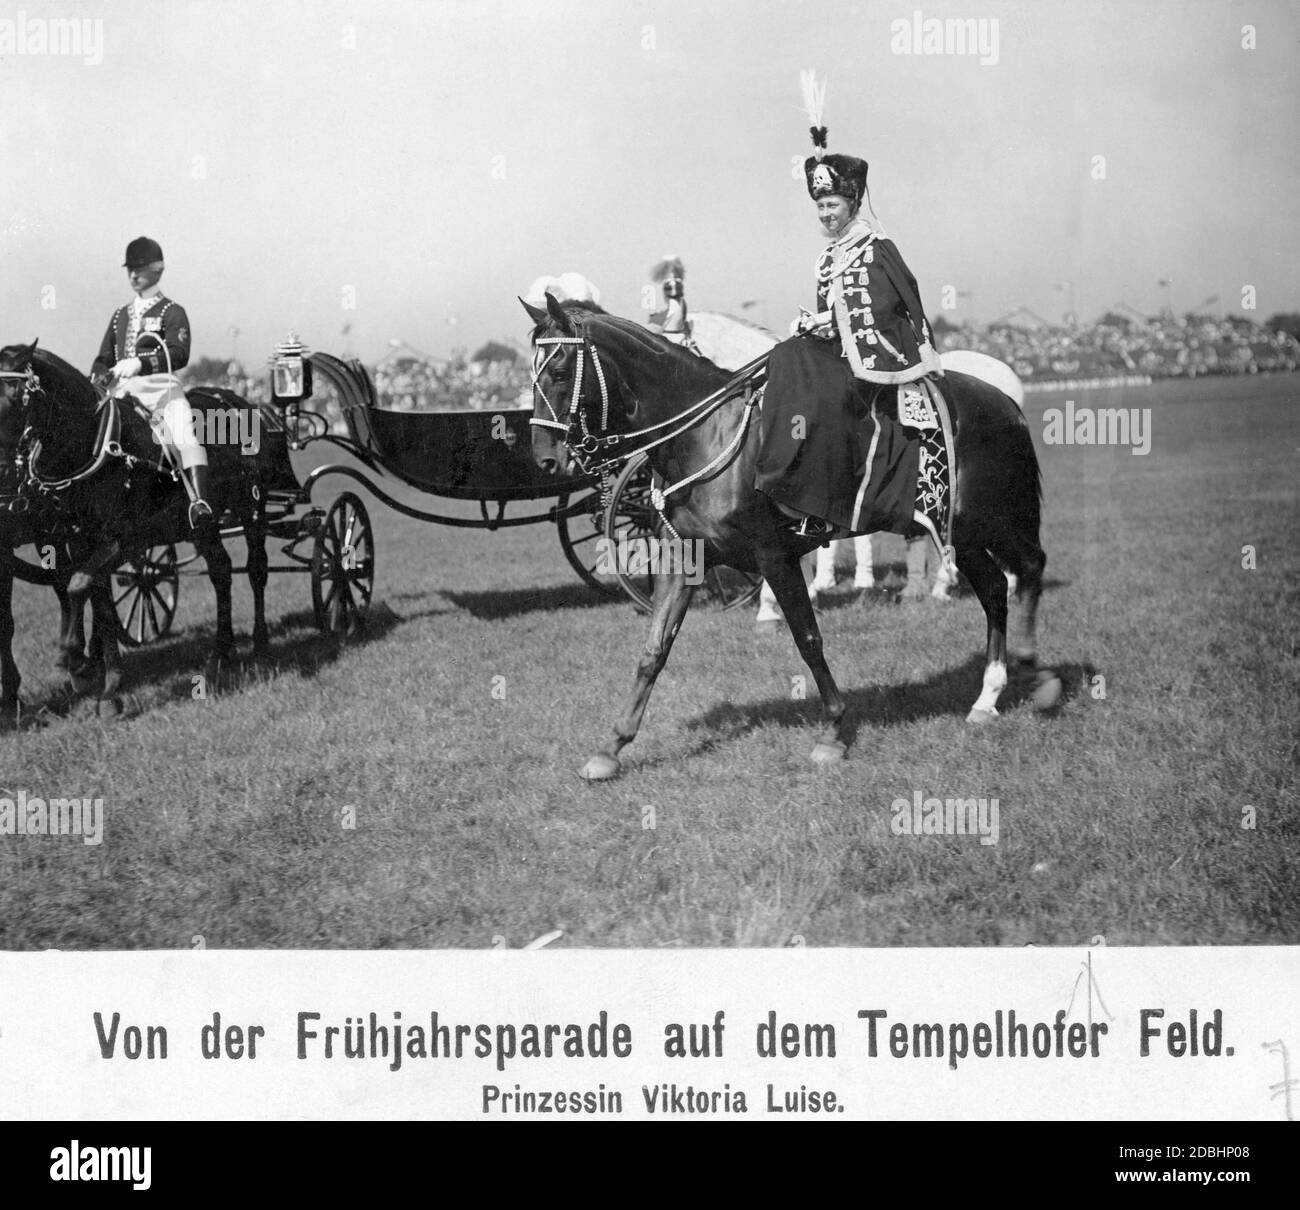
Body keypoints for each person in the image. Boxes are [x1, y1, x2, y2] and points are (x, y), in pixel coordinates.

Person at [754, 74, 945, 544]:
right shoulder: (826, 259)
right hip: (843, 356)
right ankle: (787, 486)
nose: (825, 213)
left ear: (853, 201)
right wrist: (815, 324)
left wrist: (834, 323)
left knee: (821, 396)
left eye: (832, 203)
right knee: (786, 356)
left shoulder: (878, 248)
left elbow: (899, 302)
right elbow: (833, 318)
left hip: (884, 358)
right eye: (819, 205)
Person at [91, 236, 212, 528]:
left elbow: (180, 353)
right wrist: (99, 374)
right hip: (121, 393)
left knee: (185, 436)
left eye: (140, 268)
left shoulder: (172, 311)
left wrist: (141, 363)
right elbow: (104, 356)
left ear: (157, 270)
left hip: (161, 391)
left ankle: (199, 503)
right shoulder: (120, 316)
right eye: (130, 268)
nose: (133, 274)